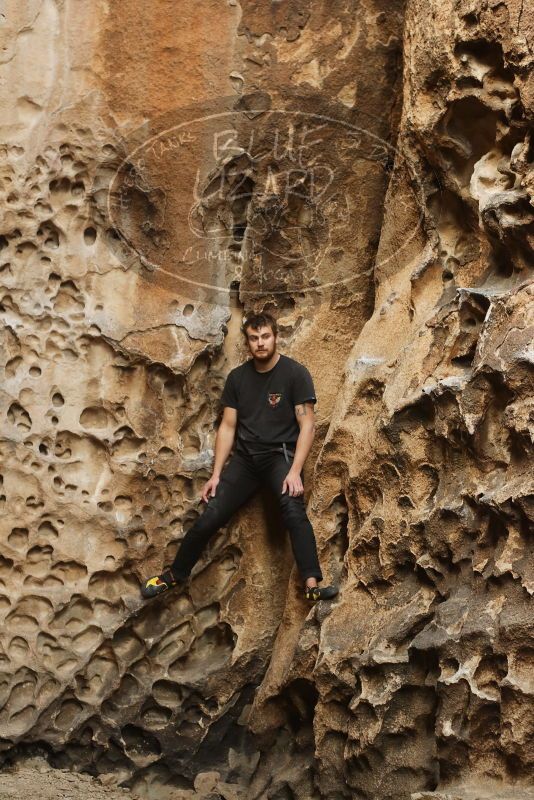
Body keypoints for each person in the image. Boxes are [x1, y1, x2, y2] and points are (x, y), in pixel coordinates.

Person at [141, 312, 338, 603]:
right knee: (211, 513)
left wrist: (295, 470)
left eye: (265, 337)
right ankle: (174, 575)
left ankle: (311, 584)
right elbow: (228, 427)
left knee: (293, 510)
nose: (260, 343)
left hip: (280, 456)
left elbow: (307, 426)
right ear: (247, 342)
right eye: (254, 338)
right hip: (245, 460)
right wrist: (217, 474)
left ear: (275, 336)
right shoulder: (238, 378)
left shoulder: (295, 374)